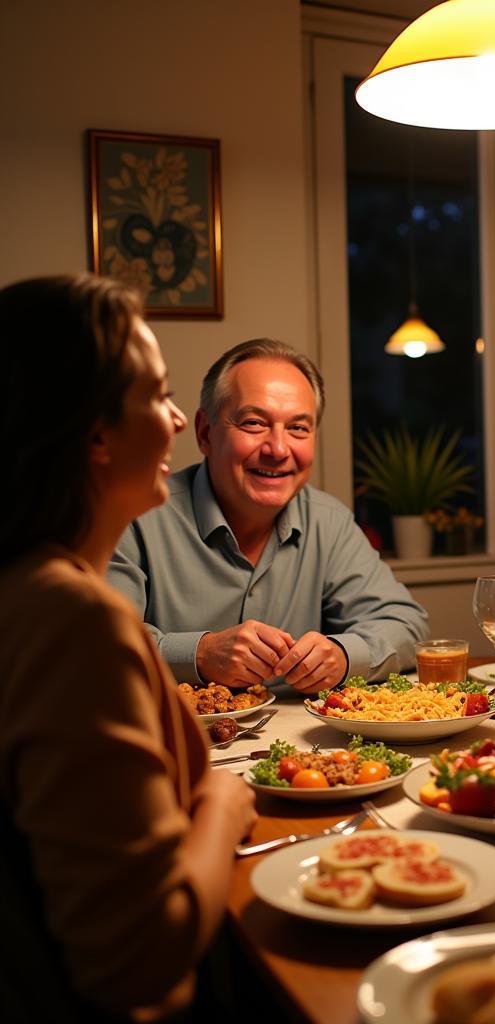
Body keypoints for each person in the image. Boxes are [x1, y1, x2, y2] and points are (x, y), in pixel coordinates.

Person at [0, 274, 257, 1019]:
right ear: (95, 433)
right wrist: (221, 800)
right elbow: (138, 964)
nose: (179, 420)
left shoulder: (25, 587)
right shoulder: (71, 618)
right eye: (158, 393)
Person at [109, 339, 429, 693]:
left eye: (298, 428)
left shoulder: (329, 522)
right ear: (204, 433)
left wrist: (343, 655)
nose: (278, 449)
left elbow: (406, 624)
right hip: (171, 741)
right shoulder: (135, 513)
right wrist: (198, 655)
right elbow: (98, 643)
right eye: (254, 423)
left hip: (299, 744)